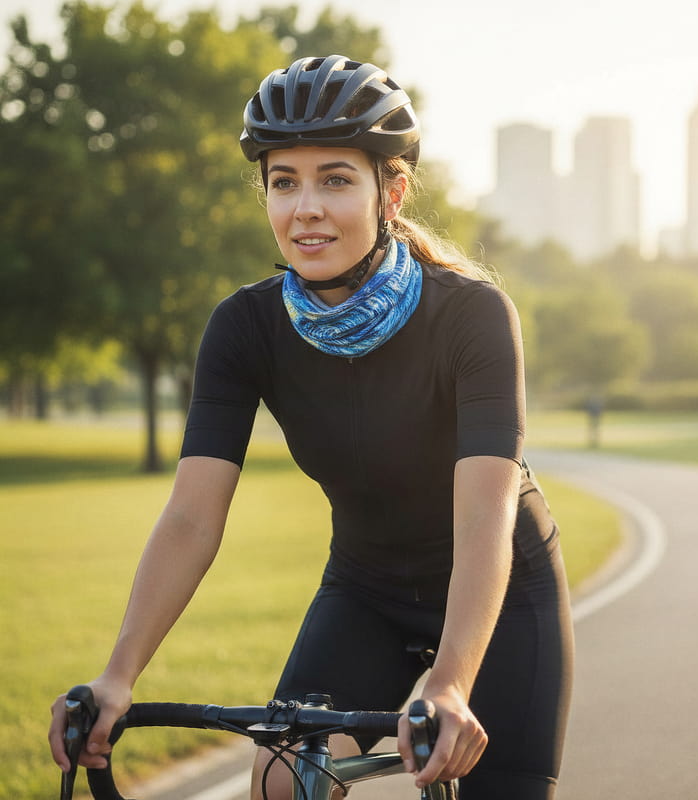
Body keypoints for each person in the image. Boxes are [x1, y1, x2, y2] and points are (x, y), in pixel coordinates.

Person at [49, 54, 574, 799]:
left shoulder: (473, 316)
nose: (306, 208)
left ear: (390, 192)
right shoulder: (243, 327)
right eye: (284, 182)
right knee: (278, 778)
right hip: (366, 586)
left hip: (501, 587)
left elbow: (485, 518)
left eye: (335, 178)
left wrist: (451, 682)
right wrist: (117, 676)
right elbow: (193, 517)